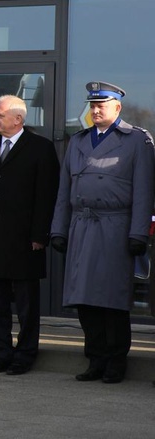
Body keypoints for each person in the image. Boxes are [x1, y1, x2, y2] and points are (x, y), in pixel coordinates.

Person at [50, 81, 155, 384]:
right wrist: (59, 228)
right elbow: (64, 190)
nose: (96, 110)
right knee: (84, 300)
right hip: (82, 227)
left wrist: (139, 234)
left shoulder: (137, 141)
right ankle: (94, 359)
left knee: (112, 300)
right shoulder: (78, 141)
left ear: (117, 107)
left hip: (115, 229)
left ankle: (115, 362)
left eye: (102, 105)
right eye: (93, 105)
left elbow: (145, 192)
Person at [0, 94, 59, 376]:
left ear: (17, 119)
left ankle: (26, 354)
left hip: (25, 240)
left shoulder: (40, 148)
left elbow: (47, 195)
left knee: (27, 303)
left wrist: (40, 234)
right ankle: (3, 352)